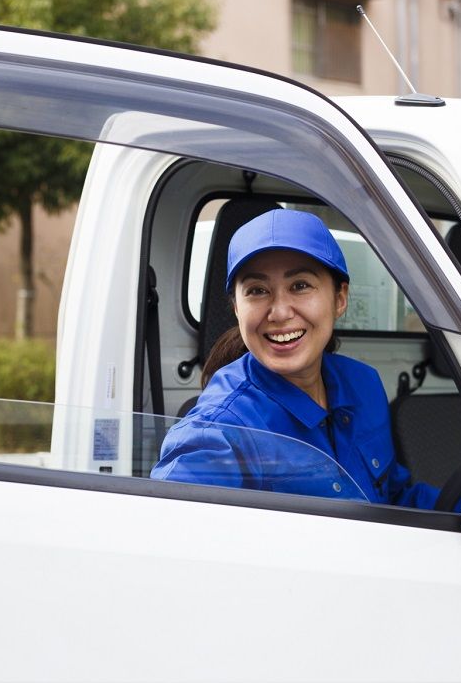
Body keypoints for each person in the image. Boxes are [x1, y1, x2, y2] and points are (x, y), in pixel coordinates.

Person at [150, 208, 443, 509]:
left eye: (300, 286)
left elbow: (393, 499)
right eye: (257, 290)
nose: (279, 312)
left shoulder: (364, 384)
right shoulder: (220, 430)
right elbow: (166, 533)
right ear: (237, 308)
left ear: (340, 298)